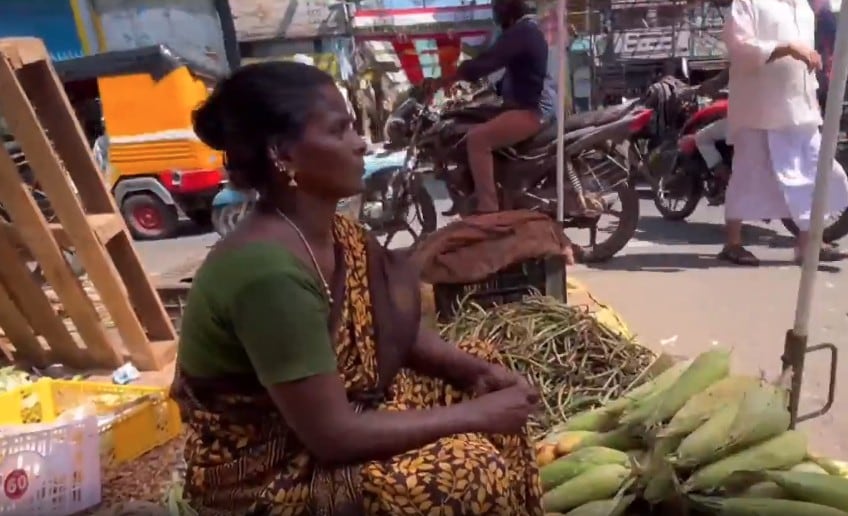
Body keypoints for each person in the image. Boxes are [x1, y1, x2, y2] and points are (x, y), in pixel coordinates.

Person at [171, 61, 543, 515]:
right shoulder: (266, 272)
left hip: (331, 421)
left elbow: (384, 327)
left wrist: (475, 373)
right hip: (265, 468)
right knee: (465, 469)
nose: (360, 142)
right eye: (340, 129)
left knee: (480, 380)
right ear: (283, 154)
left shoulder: (337, 233)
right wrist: (476, 416)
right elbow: (332, 436)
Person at [721, 0, 848, 265]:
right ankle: (732, 244)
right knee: (748, 175)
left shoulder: (802, 7)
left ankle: (807, 245)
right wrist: (785, 48)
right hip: (759, 108)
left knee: (818, 172)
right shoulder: (748, 3)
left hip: (800, 108)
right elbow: (739, 48)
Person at [428, 0, 549, 213]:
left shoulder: (522, 32)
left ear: (506, 10)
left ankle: (488, 207)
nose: (495, 15)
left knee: (477, 139)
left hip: (528, 112)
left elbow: (487, 62)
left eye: (497, 9)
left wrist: (448, 79)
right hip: (520, 108)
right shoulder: (526, 31)